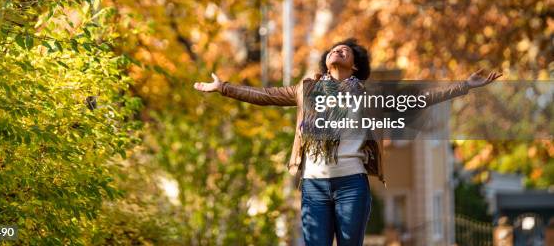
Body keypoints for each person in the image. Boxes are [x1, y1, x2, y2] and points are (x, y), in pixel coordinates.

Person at [194, 38, 501, 246]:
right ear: (326, 62)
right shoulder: (307, 89)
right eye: (334, 50)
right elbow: (265, 96)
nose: (337, 51)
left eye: (345, 50)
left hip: (352, 185)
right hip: (314, 185)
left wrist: (463, 86)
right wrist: (224, 88)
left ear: (354, 65)